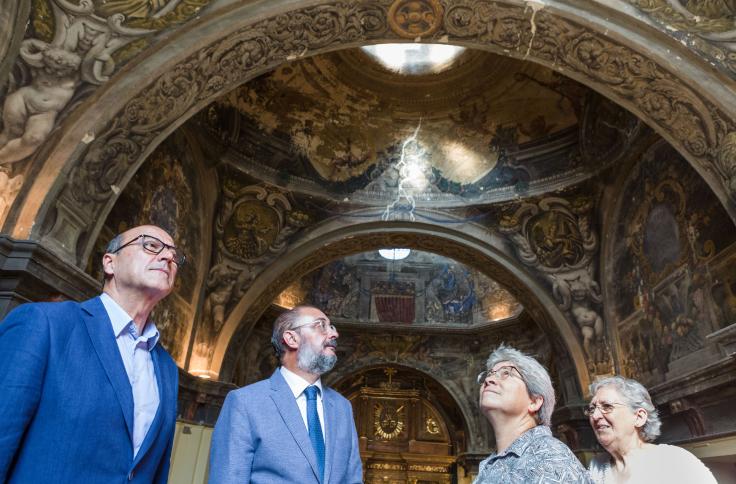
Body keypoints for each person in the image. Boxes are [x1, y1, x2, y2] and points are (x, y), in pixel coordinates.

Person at [0, 225, 183, 483]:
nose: (168, 257)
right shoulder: (45, 324)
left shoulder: (167, 369)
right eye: (151, 245)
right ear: (110, 262)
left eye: (175, 256)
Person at [209, 305, 362, 484]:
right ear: (291, 338)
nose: (334, 334)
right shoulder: (245, 403)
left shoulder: (343, 407)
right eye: (321, 325)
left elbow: (353, 479)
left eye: (332, 327)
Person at [475, 344, 592, 483]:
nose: (489, 380)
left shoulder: (549, 458)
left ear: (534, 401)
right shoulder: (490, 463)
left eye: (506, 373)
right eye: (489, 374)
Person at [587, 376, 716, 483]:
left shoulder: (674, 460)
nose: (595, 416)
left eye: (607, 406)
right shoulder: (596, 467)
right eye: (592, 409)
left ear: (639, 417)